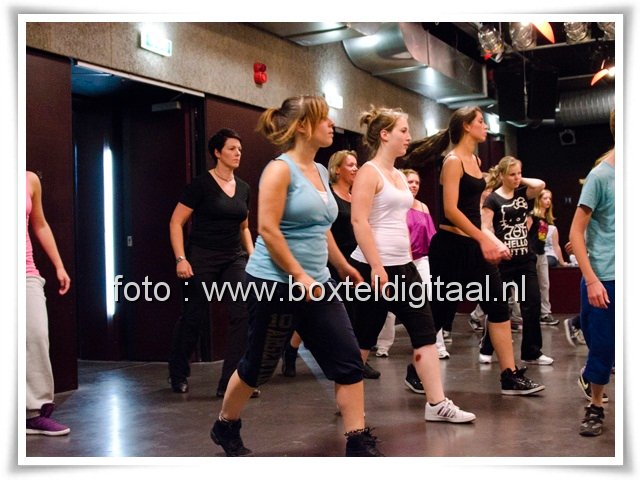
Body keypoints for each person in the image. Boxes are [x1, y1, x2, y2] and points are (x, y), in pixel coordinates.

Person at [210, 95, 382, 457]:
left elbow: (321, 227)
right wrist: (299, 275)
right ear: (303, 126)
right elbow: (268, 230)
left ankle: (358, 440)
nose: (331, 124)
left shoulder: (319, 170)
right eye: (324, 119)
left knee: (348, 360)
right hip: (274, 284)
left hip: (318, 284)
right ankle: (225, 424)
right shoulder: (279, 170)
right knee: (257, 368)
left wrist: (341, 265)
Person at [404, 106, 544, 395]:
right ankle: (414, 370)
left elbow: (473, 209)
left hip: (473, 244)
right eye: (480, 121)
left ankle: (509, 375)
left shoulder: (476, 160)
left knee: (498, 306)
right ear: (466, 126)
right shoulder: (452, 161)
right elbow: (451, 210)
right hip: (451, 247)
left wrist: (487, 238)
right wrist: (483, 238)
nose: (485, 126)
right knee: (441, 311)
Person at [349, 105, 475, 422]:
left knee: (425, 331)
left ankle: (437, 403)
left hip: (404, 267)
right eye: (403, 131)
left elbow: (401, 221)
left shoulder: (398, 175)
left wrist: (408, 259)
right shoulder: (368, 172)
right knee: (363, 338)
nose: (408, 137)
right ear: (385, 134)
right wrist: (377, 267)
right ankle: (348, 401)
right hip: (373, 269)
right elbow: (359, 221)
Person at [168, 128, 256, 398]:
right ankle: (178, 372)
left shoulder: (244, 188)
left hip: (233, 258)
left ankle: (232, 381)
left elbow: (244, 227)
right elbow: (176, 222)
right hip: (201, 257)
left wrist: (252, 255)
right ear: (217, 153)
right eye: (231, 149)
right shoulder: (200, 185)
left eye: (240, 149)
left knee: (243, 313)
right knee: (193, 317)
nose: (237, 153)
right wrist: (181, 258)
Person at [477, 156, 552, 366]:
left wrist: (519, 178)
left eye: (519, 173)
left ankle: (532, 352)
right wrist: (498, 245)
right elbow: (484, 227)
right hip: (502, 262)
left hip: (525, 260)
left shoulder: (522, 194)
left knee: (532, 304)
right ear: (502, 175)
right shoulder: (493, 199)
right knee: (498, 307)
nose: (517, 177)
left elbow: (540, 185)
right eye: (512, 174)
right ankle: (487, 347)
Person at [569, 109, 615, 436]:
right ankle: (595, 406)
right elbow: (576, 232)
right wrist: (592, 280)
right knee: (602, 347)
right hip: (606, 276)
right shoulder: (600, 176)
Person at [374, 169, 449, 361]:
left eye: (417, 182)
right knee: (389, 305)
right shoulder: (394, 207)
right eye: (410, 182)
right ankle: (383, 344)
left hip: (420, 259)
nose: (414, 185)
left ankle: (438, 346)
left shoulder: (423, 207)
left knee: (430, 301)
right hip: (396, 260)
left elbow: (431, 236)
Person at [26, 170, 71, 436]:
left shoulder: (29, 180)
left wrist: (59, 266)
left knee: (37, 336)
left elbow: (40, 224)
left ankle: (33, 413)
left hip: (25, 272)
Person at [531, 189, 565, 327]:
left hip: (542, 254)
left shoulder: (545, 219)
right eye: (545, 198)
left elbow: (544, 240)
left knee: (544, 284)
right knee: (529, 285)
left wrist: (562, 262)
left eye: (549, 198)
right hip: (531, 254)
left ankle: (545, 313)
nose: (548, 201)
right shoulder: (532, 216)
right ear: (538, 199)